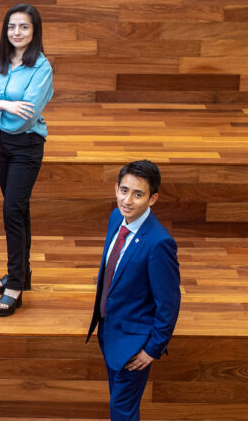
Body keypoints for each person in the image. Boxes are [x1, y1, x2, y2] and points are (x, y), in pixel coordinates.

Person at [0, 4, 53, 316]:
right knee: (18, 208)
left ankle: (15, 286)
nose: (17, 32)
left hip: (26, 145)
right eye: (11, 27)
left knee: (12, 210)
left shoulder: (41, 68)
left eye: (24, 27)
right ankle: (22, 272)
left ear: (35, 31)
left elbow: (25, 117)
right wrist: (3, 104)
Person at [86, 160, 181, 421]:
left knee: (122, 412)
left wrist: (152, 349)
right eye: (124, 190)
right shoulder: (116, 217)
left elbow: (169, 303)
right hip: (109, 332)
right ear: (116, 188)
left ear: (153, 199)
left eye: (138, 194)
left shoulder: (159, 243)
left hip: (133, 346)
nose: (127, 200)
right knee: (120, 405)